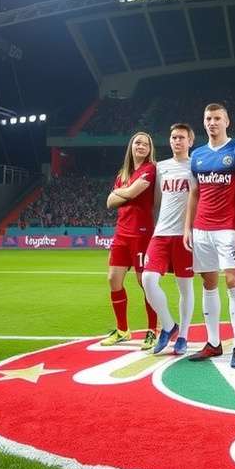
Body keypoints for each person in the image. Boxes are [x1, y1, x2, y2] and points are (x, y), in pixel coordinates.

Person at [183, 103, 235, 368]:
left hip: (228, 228)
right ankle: (213, 343)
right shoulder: (198, 155)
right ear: (204, 123)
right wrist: (187, 228)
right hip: (201, 229)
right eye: (208, 118)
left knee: (232, 281)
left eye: (217, 118)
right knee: (208, 283)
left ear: (227, 121)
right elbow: (194, 193)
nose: (212, 122)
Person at [100, 131, 160, 347]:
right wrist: (125, 192)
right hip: (121, 233)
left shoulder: (150, 169)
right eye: (137, 143)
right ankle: (123, 330)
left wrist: (121, 193)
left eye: (145, 144)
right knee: (113, 280)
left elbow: (131, 193)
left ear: (150, 149)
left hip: (142, 233)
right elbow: (109, 202)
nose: (141, 146)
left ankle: (153, 330)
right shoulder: (123, 173)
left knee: (144, 283)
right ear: (131, 147)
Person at [142, 123, 196, 355]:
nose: (177, 141)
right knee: (148, 280)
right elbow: (156, 201)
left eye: (182, 137)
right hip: (161, 234)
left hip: (185, 235)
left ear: (190, 141)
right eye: (174, 137)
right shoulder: (161, 167)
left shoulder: (197, 165)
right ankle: (169, 325)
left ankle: (183, 334)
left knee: (185, 287)